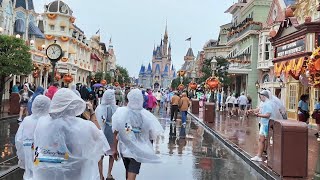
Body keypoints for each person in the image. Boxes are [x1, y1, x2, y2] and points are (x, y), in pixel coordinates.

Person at [33, 88, 110, 180]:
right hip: (74, 174)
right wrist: (92, 112)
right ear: (74, 105)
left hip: (47, 174)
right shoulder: (83, 126)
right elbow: (101, 141)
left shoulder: (42, 123)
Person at [112, 89, 163, 180]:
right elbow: (152, 134)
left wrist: (114, 148)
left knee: (128, 172)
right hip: (138, 149)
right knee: (131, 174)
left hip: (124, 147)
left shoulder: (121, 112)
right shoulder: (146, 115)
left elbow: (116, 131)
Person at [15, 95, 51, 180]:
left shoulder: (27, 121)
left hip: (29, 174)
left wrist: (24, 162)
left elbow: (19, 142)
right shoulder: (50, 123)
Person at [250, 90, 281, 162]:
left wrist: (257, 115)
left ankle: (269, 157)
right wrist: (254, 111)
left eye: (261, 96)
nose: (260, 97)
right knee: (262, 140)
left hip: (267, 125)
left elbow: (268, 115)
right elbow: (260, 110)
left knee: (268, 141)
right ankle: (259, 156)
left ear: (264, 96)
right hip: (264, 124)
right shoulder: (265, 103)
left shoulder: (268, 104)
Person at [95, 90, 118, 180]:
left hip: (102, 133)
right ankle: (109, 173)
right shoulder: (116, 108)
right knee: (112, 153)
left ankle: (101, 175)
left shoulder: (99, 108)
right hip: (112, 133)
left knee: (100, 154)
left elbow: (96, 120)